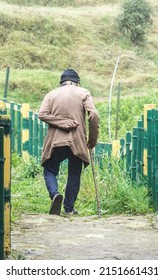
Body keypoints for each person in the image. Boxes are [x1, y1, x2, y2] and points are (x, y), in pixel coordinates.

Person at [38, 69, 100, 215]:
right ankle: (69, 209)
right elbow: (94, 116)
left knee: (50, 170)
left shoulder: (51, 94)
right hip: (77, 140)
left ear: (61, 83)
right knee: (74, 173)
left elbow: (42, 114)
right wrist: (92, 141)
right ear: (77, 83)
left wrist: (61, 122)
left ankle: (55, 194)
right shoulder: (83, 92)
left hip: (55, 141)